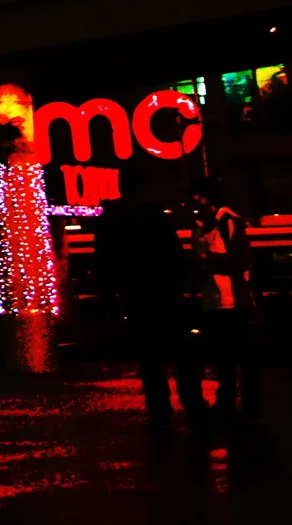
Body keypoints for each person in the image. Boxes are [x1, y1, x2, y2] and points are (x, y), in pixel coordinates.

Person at [98, 165, 204, 433]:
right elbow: (174, 255)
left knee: (149, 358)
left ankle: (160, 412)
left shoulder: (111, 217)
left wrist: (110, 299)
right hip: (166, 293)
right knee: (183, 354)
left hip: (136, 295)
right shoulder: (155, 216)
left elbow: (105, 264)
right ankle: (193, 406)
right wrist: (182, 284)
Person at [188, 178, 256, 422]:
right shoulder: (198, 228)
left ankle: (249, 406)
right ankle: (227, 402)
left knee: (243, 357)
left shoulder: (229, 223)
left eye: (198, 198)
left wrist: (208, 259)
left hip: (234, 302)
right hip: (212, 303)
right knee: (223, 357)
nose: (193, 204)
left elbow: (242, 261)